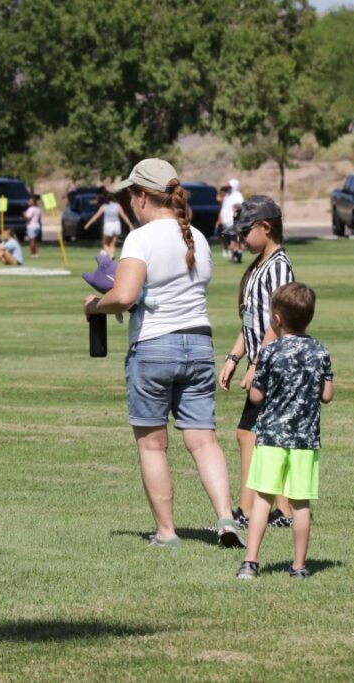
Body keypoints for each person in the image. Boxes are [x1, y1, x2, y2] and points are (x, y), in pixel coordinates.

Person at [82, 158, 243, 549]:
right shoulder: (198, 238)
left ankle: (167, 533)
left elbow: (125, 296)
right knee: (204, 441)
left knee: (153, 444)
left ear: (141, 197)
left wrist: (94, 305)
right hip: (200, 343)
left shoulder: (141, 238)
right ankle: (226, 518)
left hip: (155, 346)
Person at [236, 283, 333, 580]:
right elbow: (326, 394)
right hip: (304, 439)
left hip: (271, 437)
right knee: (300, 503)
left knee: (263, 499)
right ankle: (299, 566)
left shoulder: (270, 352)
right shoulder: (320, 350)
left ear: (277, 318)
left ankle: (251, 562)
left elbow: (256, 397)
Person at [219, 196, 295, 529]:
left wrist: (256, 364)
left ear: (266, 227)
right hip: (260, 362)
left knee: (250, 435)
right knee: (257, 436)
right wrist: (234, 357)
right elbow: (251, 320)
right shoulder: (259, 266)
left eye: (246, 231)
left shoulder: (278, 265)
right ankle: (279, 511)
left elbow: (277, 322)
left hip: (275, 366)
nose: (241, 239)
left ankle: (251, 511)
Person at [84, 191, 132, 259]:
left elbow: (96, 216)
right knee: (112, 244)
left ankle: (111, 255)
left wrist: (87, 224)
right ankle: (111, 259)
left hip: (108, 225)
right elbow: (123, 216)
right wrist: (130, 224)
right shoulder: (117, 206)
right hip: (117, 225)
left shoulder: (104, 206)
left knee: (105, 243)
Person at [219, 179, 244, 263]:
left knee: (233, 241)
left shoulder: (237, 195)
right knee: (229, 242)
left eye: (230, 186)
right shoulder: (227, 195)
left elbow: (238, 207)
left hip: (232, 222)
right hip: (226, 223)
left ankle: (237, 256)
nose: (228, 188)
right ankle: (235, 256)